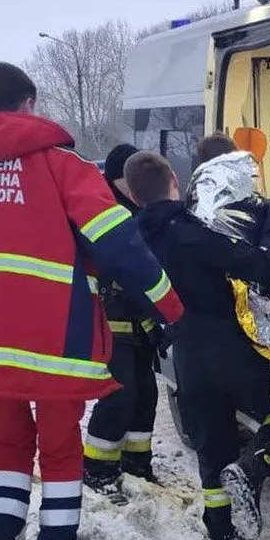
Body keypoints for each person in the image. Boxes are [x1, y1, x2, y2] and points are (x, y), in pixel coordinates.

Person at [0, 62, 185, 540]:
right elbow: (117, 243)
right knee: (59, 450)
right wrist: (169, 304)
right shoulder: (62, 165)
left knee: (6, 444)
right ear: (28, 105)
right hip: (51, 338)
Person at [125, 145, 270, 540]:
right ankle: (252, 469)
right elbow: (251, 265)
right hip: (228, 346)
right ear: (175, 183)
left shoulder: (134, 240)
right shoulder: (193, 231)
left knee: (212, 443)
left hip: (186, 355)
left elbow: (137, 295)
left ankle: (222, 536)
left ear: (133, 196)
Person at [82, 144, 167, 504]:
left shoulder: (137, 208)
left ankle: (137, 464)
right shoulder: (104, 210)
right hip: (112, 321)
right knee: (120, 394)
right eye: (124, 177)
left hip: (141, 321)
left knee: (146, 393)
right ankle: (98, 470)